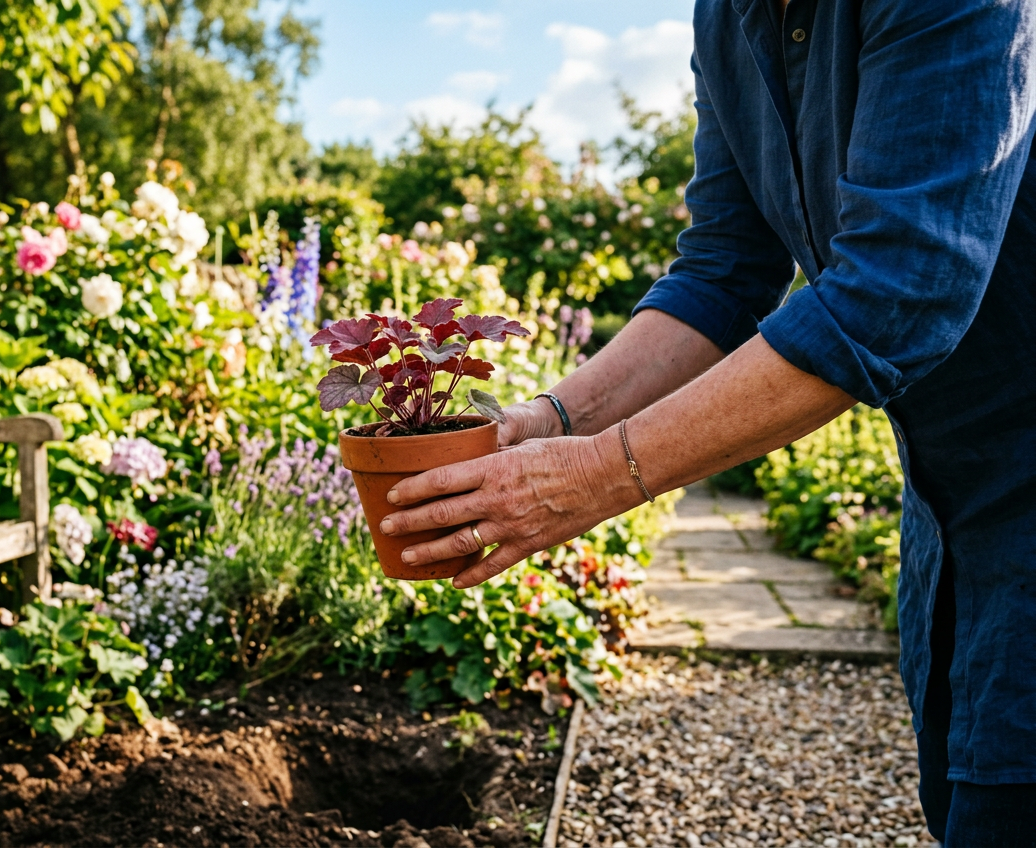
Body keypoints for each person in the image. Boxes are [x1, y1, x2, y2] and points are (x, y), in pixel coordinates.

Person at [377, 0, 1036, 844]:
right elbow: (725, 270)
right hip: (950, 505)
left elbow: (900, 289)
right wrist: (548, 423)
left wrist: (593, 477)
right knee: (960, 793)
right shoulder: (730, 16)